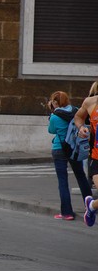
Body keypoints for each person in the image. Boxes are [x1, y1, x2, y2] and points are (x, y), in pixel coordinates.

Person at [48, 91, 92, 220]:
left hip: (59, 148)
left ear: (55, 102)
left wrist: (51, 113)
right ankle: (90, 206)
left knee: (63, 181)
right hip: (74, 148)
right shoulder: (76, 111)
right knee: (81, 176)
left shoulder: (55, 116)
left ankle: (67, 213)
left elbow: (51, 130)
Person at [74, 88, 98, 226]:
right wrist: (81, 127)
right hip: (96, 158)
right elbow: (78, 117)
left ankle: (92, 205)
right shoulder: (91, 102)